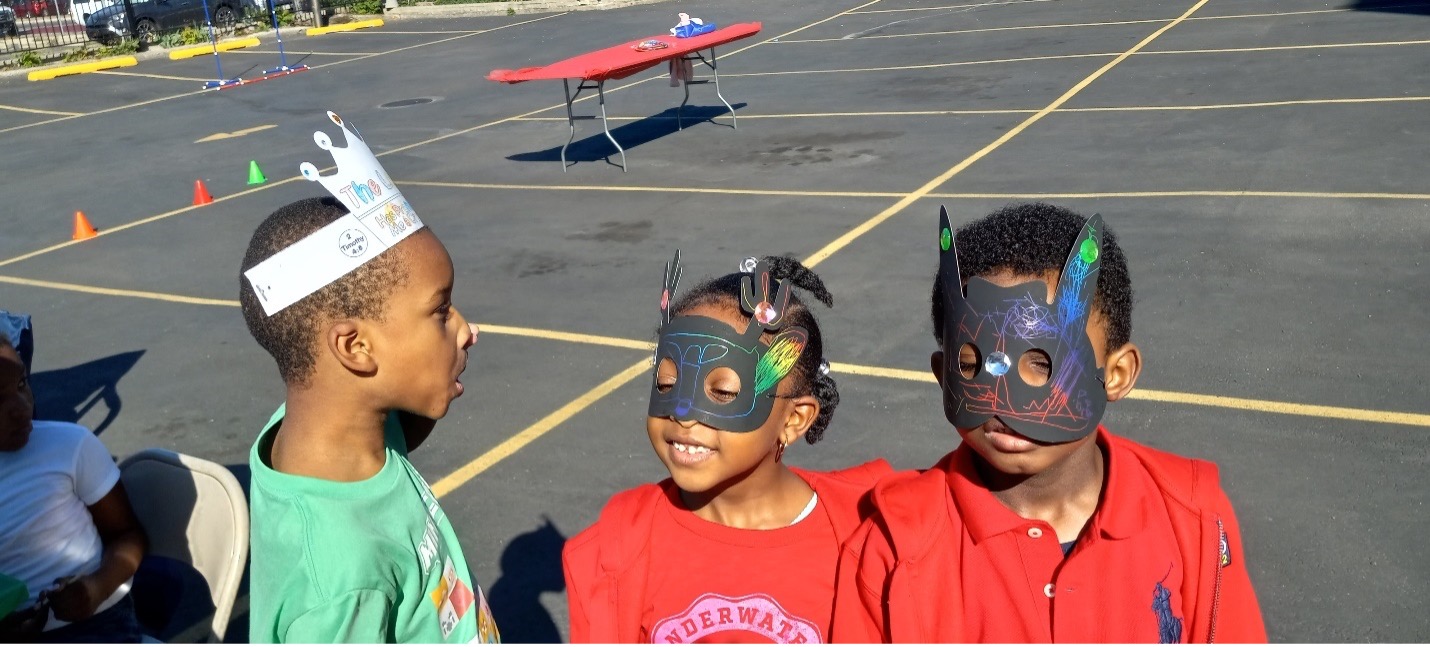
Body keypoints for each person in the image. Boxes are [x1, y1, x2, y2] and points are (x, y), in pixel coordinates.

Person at [832, 204, 1266, 643]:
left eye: (1041, 363)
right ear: (942, 374)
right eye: (971, 363)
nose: (1003, 401)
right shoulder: (895, 548)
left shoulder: (1193, 517)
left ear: (1117, 374)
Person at [241, 112, 499, 643]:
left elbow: (400, 433)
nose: (465, 329)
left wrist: (434, 383)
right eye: (441, 310)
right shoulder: (339, 588)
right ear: (355, 348)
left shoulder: (329, 426)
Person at [564, 253, 892, 643]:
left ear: (794, 419)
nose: (683, 413)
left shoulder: (871, 538)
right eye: (667, 384)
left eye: (722, 393)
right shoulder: (617, 552)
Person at [0, 332, 148, 643]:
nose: (21, 407)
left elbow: (128, 536)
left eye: (22, 384)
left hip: (94, 625)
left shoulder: (69, 445)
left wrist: (96, 588)